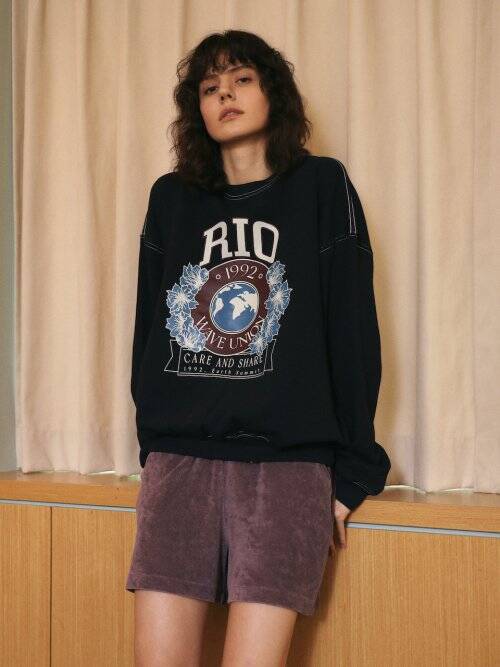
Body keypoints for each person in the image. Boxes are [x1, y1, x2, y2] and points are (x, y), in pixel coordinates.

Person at [126, 29, 391, 666]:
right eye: (210, 88)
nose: (226, 95)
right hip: (180, 462)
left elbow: (352, 327)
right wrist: (152, 446)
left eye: (242, 79)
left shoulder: (322, 186)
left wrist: (355, 469)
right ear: (196, 109)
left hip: (288, 467)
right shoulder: (171, 199)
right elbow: (149, 331)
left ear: (273, 92)